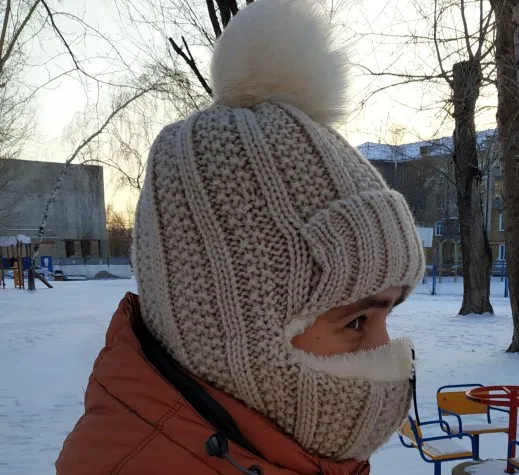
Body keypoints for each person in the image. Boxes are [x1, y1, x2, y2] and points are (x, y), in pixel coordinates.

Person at [56, 0, 425, 473]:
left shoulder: (288, 453)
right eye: (356, 321)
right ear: (228, 332)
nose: (388, 353)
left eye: (388, 314)